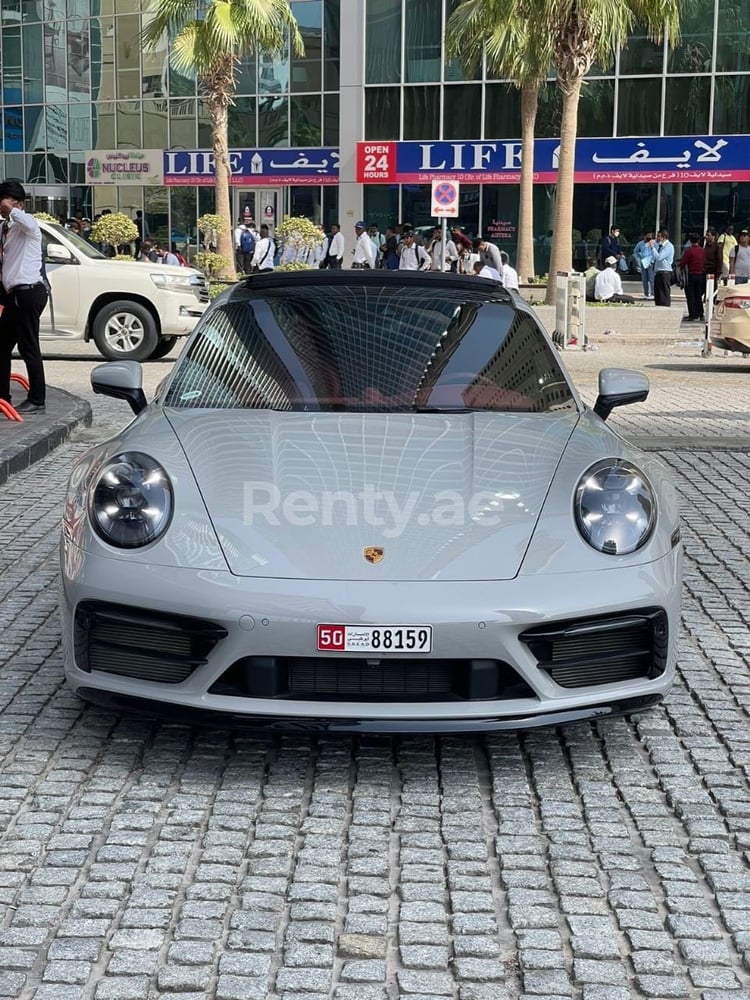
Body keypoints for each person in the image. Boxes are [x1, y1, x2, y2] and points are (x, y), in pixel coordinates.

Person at [0, 180, 49, 413]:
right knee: (1, 346)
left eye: (5, 201)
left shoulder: (28, 225)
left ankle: (37, 399)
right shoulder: (7, 229)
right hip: (14, 295)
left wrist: (13, 211)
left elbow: (26, 221)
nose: (2, 207)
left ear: (18, 203)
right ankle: (3, 398)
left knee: (29, 346)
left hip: (29, 292)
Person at [678, 233, 705, 321]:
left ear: (690, 241)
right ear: (699, 241)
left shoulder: (689, 251)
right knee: (698, 295)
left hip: (691, 275)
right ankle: (700, 314)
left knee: (690, 296)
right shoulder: (702, 251)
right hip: (700, 275)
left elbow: (682, 263)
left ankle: (692, 314)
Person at [652, 228, 675, 307]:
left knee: (664, 293)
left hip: (665, 272)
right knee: (658, 293)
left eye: (658, 236)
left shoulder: (668, 246)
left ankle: (665, 306)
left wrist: (653, 248)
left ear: (663, 237)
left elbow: (659, 257)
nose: (657, 238)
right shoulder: (660, 246)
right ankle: (658, 305)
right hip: (658, 272)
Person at [633, 231, 655, 298]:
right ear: (644, 236)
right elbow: (635, 251)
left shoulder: (653, 243)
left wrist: (652, 260)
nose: (649, 237)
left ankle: (653, 293)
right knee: (644, 279)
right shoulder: (640, 243)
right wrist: (640, 256)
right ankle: (646, 293)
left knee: (651, 279)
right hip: (644, 262)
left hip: (651, 262)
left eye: (650, 236)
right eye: (648, 236)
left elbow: (655, 252)